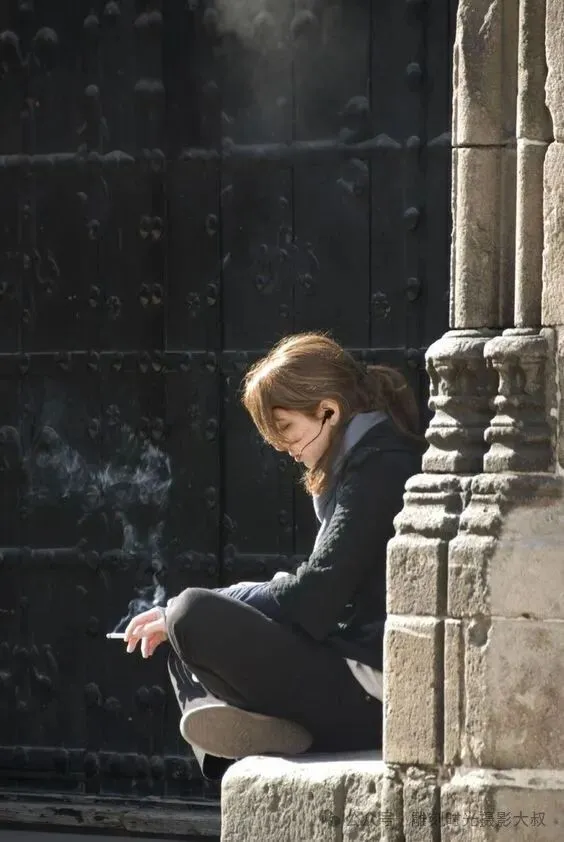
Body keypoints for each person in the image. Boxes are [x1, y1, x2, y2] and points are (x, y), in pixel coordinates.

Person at [123, 332, 423, 780]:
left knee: (189, 614)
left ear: (328, 411)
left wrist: (228, 598)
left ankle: (266, 726)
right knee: (176, 638)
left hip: (374, 694)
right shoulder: (364, 462)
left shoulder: (380, 467)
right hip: (347, 673)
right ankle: (260, 729)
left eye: (286, 429)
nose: (284, 447)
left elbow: (315, 595)